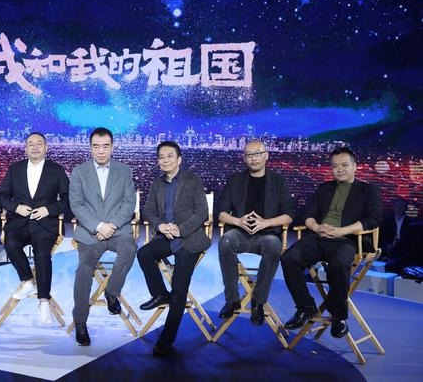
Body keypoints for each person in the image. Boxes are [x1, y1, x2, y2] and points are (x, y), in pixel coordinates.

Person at [281, 147, 381, 338]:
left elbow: (373, 219)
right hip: (319, 236)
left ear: (355, 166)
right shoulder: (324, 188)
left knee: (338, 264)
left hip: (347, 240)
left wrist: (343, 230)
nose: (339, 169)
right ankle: (305, 307)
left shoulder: (368, 190)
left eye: (344, 165)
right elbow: (307, 214)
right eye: (335, 166)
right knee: (289, 258)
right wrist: (317, 227)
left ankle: (339, 316)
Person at [137, 141, 210, 356]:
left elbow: (202, 212)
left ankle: (166, 339)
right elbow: (148, 211)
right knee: (144, 254)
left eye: (169, 156)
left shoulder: (193, 180)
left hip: (189, 238)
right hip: (166, 235)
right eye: (161, 157)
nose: (165, 160)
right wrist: (161, 226)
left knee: (179, 287)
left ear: (179, 159)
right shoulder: (157, 184)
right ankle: (160, 294)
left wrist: (180, 229)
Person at [69, 127, 137, 346]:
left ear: (112, 147)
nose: (101, 151)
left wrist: (112, 225)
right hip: (91, 233)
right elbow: (76, 205)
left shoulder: (124, 170)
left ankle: (111, 292)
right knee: (83, 270)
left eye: (105, 146)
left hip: (118, 230)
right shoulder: (79, 172)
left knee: (130, 247)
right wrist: (98, 226)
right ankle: (80, 322)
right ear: (90, 148)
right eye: (96, 146)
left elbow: (129, 203)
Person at [217, 139, 295, 325]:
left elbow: (289, 215)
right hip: (239, 233)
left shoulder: (278, 181)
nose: (254, 158)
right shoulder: (235, 180)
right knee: (225, 242)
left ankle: (258, 302)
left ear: (266, 155)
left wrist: (266, 223)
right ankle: (232, 300)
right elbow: (220, 213)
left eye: (257, 153)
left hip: (267, 235)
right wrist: (238, 221)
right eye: (249, 155)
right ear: (244, 158)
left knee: (274, 245)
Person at [0, 132, 69, 324]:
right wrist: (16, 207)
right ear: (26, 148)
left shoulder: (57, 170)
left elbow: (67, 199)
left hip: (44, 224)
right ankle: (28, 280)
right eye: (31, 144)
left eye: (39, 144)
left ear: (46, 147)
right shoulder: (15, 169)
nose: (35, 147)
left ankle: (43, 301)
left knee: (42, 254)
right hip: (18, 222)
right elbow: (3, 196)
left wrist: (48, 210)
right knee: (10, 243)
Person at [380, 198, 414, 272]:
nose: (399, 208)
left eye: (402, 206)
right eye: (397, 206)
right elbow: (384, 236)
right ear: (394, 207)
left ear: (406, 208)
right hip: (390, 245)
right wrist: (388, 245)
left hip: (403, 247)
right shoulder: (387, 221)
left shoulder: (411, 222)